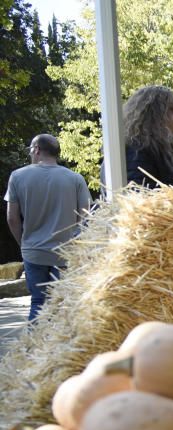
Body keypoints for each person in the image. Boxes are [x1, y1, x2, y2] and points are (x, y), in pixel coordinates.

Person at [4, 134, 91, 321]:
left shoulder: (17, 176)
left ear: (36, 150)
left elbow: (12, 218)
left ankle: (35, 347)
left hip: (34, 251)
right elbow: (86, 216)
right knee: (65, 304)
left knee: (38, 302)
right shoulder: (75, 179)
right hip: (67, 253)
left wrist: (23, 243)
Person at [123, 85, 173, 188]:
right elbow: (141, 191)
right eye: (171, 110)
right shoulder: (138, 151)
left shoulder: (163, 151)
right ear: (153, 115)